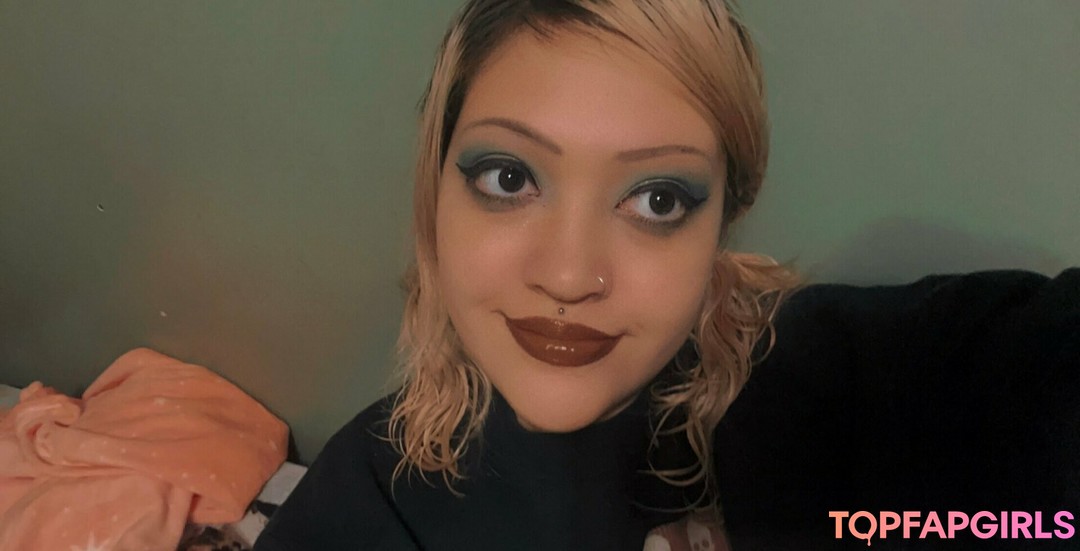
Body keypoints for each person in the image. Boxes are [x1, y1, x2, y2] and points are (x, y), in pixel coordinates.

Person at [255, 0, 799, 549]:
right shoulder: (363, 498)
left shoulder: (812, 393)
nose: (568, 278)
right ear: (436, 191)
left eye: (659, 200)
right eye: (509, 178)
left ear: (724, 223)